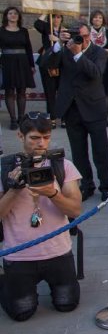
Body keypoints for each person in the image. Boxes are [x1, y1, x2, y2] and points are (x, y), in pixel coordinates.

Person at [0, 114, 83, 321]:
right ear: (21, 135)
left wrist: (52, 193)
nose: (41, 143)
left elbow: (75, 211)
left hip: (57, 252)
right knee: (22, 312)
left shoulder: (62, 165)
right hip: (19, 255)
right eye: (35, 138)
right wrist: (14, 189)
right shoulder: (4, 168)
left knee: (67, 304)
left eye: (46, 137)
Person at [51, 24, 108, 202]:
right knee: (78, 151)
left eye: (86, 37)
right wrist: (57, 45)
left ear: (90, 36)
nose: (82, 40)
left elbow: (95, 73)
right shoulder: (64, 51)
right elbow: (48, 64)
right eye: (79, 37)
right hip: (72, 109)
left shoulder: (99, 53)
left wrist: (78, 53)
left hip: (94, 108)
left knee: (101, 150)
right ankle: (86, 185)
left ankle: (106, 185)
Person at [0, 7, 35, 130]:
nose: (13, 15)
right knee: (9, 91)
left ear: (19, 16)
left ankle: (21, 118)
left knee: (21, 91)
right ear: (6, 16)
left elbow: (29, 49)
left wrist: (31, 65)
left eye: (15, 13)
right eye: (10, 13)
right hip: (7, 62)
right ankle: (13, 119)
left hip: (23, 62)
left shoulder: (24, 31)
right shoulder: (1, 31)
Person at [33, 14, 63, 126]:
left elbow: (71, 44)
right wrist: (46, 10)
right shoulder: (47, 28)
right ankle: (52, 117)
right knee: (50, 91)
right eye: (54, 16)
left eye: (59, 17)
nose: (56, 19)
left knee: (62, 91)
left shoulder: (65, 30)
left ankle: (63, 116)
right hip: (47, 63)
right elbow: (37, 24)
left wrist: (57, 39)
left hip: (62, 64)